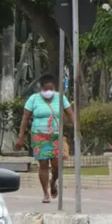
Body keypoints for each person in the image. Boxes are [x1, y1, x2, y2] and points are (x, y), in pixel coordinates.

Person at [16, 73, 76, 203]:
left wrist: (76, 128)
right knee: (43, 164)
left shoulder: (61, 98)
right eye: (46, 89)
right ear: (41, 88)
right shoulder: (34, 99)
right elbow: (25, 118)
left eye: (51, 89)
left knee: (57, 165)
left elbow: (70, 114)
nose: (48, 92)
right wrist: (21, 137)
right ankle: (45, 193)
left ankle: (53, 181)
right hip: (39, 136)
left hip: (55, 136)